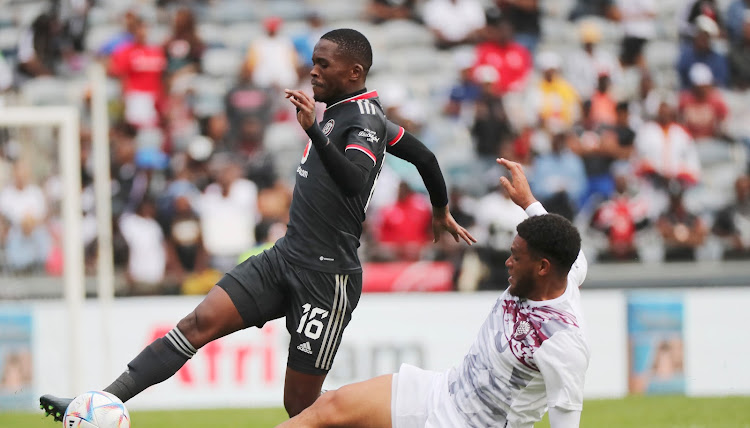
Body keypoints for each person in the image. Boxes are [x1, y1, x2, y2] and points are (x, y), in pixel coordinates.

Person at [40, 28, 475, 422]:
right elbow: (425, 157)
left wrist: (314, 134)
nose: (314, 70)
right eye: (314, 61)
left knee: (301, 408)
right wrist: (440, 208)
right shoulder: (346, 111)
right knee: (196, 324)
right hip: (285, 257)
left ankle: (401, 413)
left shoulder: (364, 121)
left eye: (324, 64)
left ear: (354, 70)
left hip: (327, 276)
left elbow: (354, 180)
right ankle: (94, 404)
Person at [277, 157, 589, 428]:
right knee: (328, 409)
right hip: (441, 391)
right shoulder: (566, 271)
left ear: (544, 267)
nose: (508, 262)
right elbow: (572, 253)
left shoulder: (562, 342)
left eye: (517, 257)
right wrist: (528, 202)